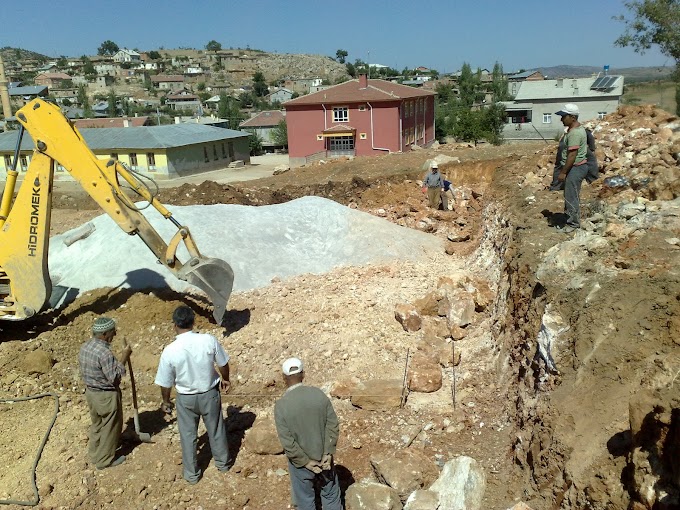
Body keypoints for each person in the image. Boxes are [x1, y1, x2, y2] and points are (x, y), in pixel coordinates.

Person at [154, 305, 232, 484]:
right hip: (209, 394)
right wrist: (225, 379)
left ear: (175, 324)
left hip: (186, 399)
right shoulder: (208, 340)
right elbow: (223, 363)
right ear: (193, 321)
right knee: (216, 430)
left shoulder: (170, 350)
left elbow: (165, 382)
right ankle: (223, 464)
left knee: (188, 436)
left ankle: (192, 474)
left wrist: (166, 401)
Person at [274, 357, 341, 510]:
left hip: (301, 465)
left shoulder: (281, 406)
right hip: (324, 460)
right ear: (303, 374)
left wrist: (306, 462)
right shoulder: (319, 395)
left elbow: (287, 442)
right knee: (331, 496)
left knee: (305, 501)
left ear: (284, 378)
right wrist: (327, 453)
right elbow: (332, 426)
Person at [79, 316, 131, 470]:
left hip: (91, 393)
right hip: (105, 396)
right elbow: (114, 379)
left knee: (98, 424)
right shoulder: (104, 353)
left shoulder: (85, 347)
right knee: (110, 428)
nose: (114, 334)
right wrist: (124, 357)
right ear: (103, 334)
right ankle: (104, 460)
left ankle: (94, 453)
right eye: (112, 332)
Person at [554, 103, 589, 233]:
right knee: (570, 194)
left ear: (573, 117)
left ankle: (573, 224)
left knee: (571, 196)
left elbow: (572, 155)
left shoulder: (574, 133)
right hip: (577, 167)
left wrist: (563, 172)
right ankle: (569, 218)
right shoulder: (576, 130)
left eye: (564, 116)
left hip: (575, 168)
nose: (561, 119)